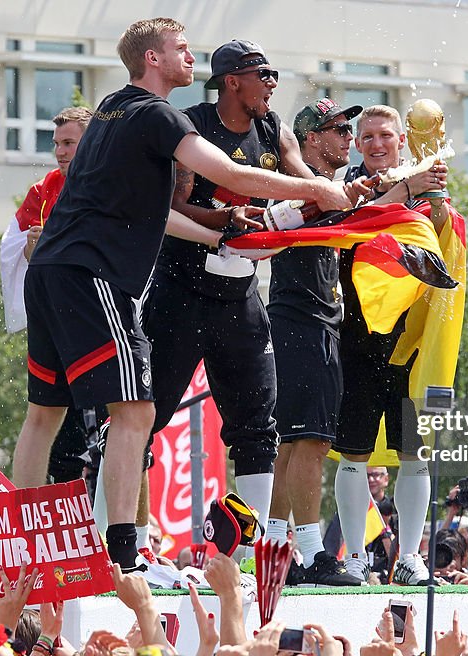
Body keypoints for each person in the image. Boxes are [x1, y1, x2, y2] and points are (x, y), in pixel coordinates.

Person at [10, 17, 354, 571]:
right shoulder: (157, 114)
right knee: (136, 412)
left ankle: (16, 549)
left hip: (51, 270)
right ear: (152, 58)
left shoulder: (109, 111)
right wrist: (317, 187)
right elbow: (233, 174)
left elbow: (164, 216)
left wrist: (220, 230)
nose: (192, 56)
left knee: (44, 414)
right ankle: (123, 553)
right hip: (92, 275)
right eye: (181, 48)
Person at [143, 39, 318, 545]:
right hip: (180, 291)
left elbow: (306, 185)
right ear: (232, 81)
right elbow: (173, 206)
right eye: (265, 74)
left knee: (257, 425)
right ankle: (126, 544)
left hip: (240, 295)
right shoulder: (193, 126)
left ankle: (248, 547)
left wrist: (339, 197)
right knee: (144, 419)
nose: (273, 85)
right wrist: (226, 221)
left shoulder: (272, 127)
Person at [331, 105, 447, 585]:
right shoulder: (346, 187)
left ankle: (410, 557)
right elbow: (355, 223)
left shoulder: (424, 186)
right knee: (353, 450)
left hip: (412, 340)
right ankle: (355, 557)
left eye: (386, 135)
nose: (377, 144)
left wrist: (436, 191)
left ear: (401, 140)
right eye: (368, 137)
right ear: (358, 145)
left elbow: (443, 232)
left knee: (414, 451)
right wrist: (412, 187)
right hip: (355, 337)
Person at [266, 98, 364, 586]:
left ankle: (274, 547)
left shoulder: (325, 192)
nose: (349, 136)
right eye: (338, 128)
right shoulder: (305, 195)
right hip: (301, 321)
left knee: (295, 441)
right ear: (310, 140)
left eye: (350, 128)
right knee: (311, 439)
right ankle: (309, 555)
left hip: (312, 321)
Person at [0, 106, 107, 486]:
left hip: (98, 317)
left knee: (120, 425)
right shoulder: (44, 189)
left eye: (69, 143)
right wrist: (35, 250)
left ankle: (125, 538)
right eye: (56, 143)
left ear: (91, 142)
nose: (60, 152)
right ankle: (26, 519)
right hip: (54, 315)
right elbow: (18, 253)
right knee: (45, 418)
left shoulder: (108, 182)